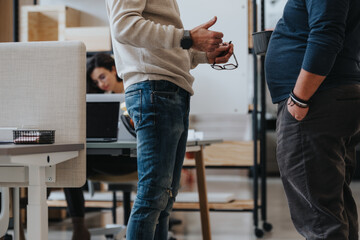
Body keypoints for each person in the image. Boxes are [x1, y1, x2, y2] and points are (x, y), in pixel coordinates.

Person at [105, 0, 234, 239]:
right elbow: (123, 27)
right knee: (153, 196)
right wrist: (186, 37)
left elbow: (161, 49)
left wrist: (203, 55)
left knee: (163, 199)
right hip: (155, 89)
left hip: (167, 89)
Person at [265, 0, 360, 239]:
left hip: (316, 101)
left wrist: (300, 98)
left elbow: (326, 34)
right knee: (333, 208)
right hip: (331, 96)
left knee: (320, 221)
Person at [63, 53, 137, 240]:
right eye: (96, 81)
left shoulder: (135, 91)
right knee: (70, 164)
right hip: (107, 160)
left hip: (136, 159)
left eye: (102, 77)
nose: (101, 84)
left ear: (113, 69)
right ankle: (79, 227)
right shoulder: (103, 103)